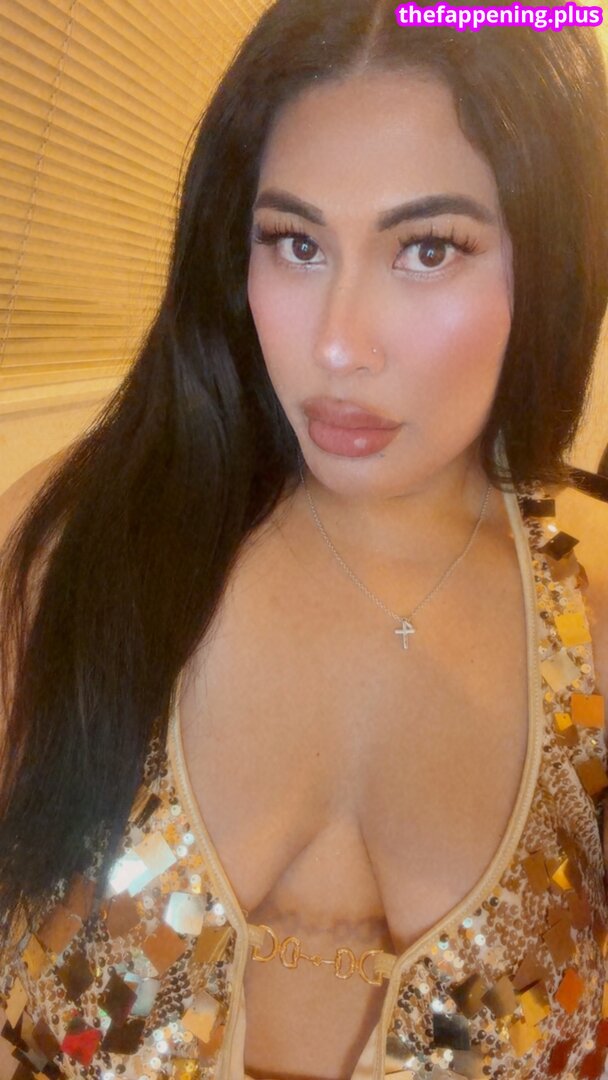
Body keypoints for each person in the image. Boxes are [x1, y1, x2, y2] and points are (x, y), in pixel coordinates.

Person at [0, 1, 608, 1078]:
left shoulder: (591, 632)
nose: (337, 343)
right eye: (295, 242)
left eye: (427, 249)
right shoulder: (79, 547)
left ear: (550, 263)